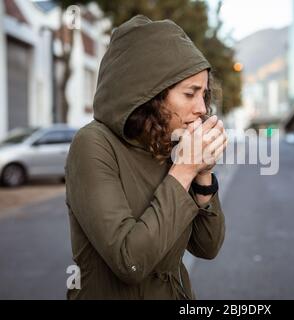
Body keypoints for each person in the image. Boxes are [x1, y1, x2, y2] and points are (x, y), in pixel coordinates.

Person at [65, 15, 227, 299]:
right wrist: (185, 169)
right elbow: (130, 261)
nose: (202, 107)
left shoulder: (171, 145)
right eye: (191, 94)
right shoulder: (92, 144)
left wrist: (203, 174)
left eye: (204, 94)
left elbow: (208, 247)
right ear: (151, 95)